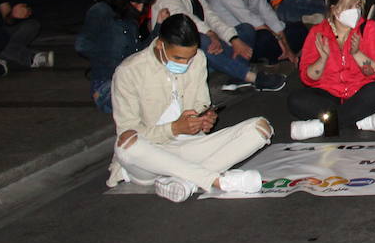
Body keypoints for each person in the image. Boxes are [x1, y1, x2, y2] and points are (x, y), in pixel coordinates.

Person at [106, 14, 272, 201]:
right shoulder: (129, 71)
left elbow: (201, 104)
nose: (185, 64)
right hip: (149, 158)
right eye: (178, 58)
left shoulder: (198, 58)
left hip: (189, 147)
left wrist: (204, 120)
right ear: (160, 45)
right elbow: (128, 130)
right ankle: (215, 180)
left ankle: (186, 182)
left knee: (260, 128)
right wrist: (174, 128)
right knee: (126, 143)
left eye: (189, 58)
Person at [151, 0, 285, 92]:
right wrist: (210, 34)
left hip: (210, 53)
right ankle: (252, 77)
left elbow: (213, 19)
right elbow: (183, 19)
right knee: (200, 39)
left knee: (246, 29)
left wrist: (234, 39)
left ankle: (237, 75)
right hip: (178, 54)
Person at [289, 0, 375, 138]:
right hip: (329, 96)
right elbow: (308, 78)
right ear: (335, 9)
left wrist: (357, 54)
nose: (355, 11)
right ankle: (357, 120)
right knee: (296, 100)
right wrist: (322, 60)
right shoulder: (318, 32)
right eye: (350, 7)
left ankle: (324, 126)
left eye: (358, 5)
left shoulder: (369, 28)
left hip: (360, 94)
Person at [76, 0, 152, 111]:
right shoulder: (101, 11)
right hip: (107, 82)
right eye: (136, 3)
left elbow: (138, 53)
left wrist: (158, 29)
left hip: (130, 79)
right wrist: (111, 60)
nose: (140, 9)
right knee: (145, 103)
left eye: (143, 5)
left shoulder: (130, 18)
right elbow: (82, 45)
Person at [0, 0, 54, 76]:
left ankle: (2, 55)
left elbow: (7, 18)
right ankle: (30, 57)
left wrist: (14, 15)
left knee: (31, 25)